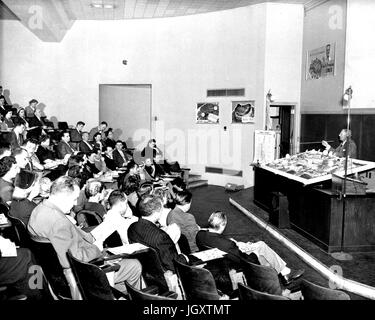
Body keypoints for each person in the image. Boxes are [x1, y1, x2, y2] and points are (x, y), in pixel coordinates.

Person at [27, 176, 142, 293]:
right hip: (81, 274)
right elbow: (70, 260)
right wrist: (97, 248)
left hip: (55, 272)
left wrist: (96, 235)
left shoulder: (38, 210)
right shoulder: (58, 221)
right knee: (134, 265)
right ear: (63, 197)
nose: (74, 204)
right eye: (73, 199)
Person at [196, 211, 305, 285]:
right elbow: (245, 260)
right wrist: (253, 253)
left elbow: (217, 240)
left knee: (260, 245)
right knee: (261, 248)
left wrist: (235, 243)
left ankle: (282, 272)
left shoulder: (200, 235)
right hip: (231, 263)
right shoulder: (227, 245)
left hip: (218, 259)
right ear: (223, 225)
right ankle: (279, 275)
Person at [127, 194, 187, 273]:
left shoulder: (132, 228)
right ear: (156, 213)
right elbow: (173, 266)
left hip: (145, 271)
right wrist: (184, 257)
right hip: (163, 277)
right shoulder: (161, 237)